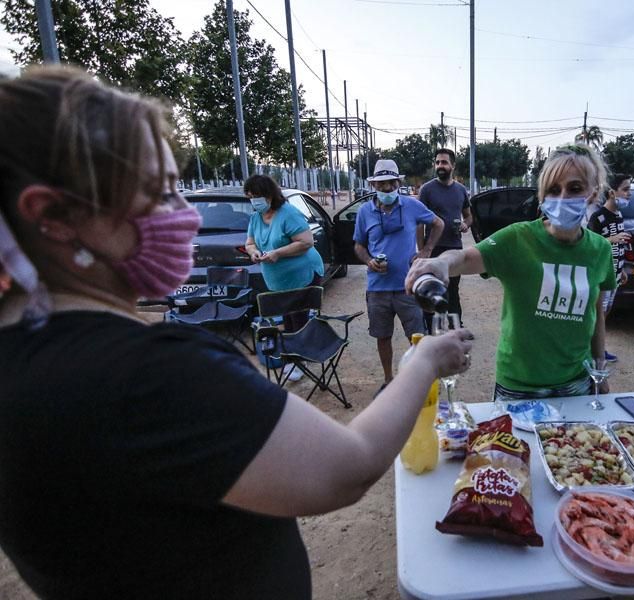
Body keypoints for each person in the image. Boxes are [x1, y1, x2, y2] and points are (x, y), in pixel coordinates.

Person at [0, 66, 473, 599]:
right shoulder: (150, 373)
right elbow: (347, 468)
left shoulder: (23, 358)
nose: (186, 216)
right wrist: (425, 363)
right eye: (157, 193)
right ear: (53, 215)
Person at [406, 144, 616, 404]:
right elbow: (465, 258)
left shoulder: (600, 249)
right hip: (519, 386)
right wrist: (440, 263)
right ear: (542, 196)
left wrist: (600, 366)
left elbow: (596, 316)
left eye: (574, 189)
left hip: (576, 383)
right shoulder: (519, 238)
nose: (562, 198)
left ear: (593, 192)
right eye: (553, 190)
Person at [353, 159, 445, 394]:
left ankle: (419, 381)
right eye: (381, 184)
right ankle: (389, 379)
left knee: (416, 337)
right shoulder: (365, 211)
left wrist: (426, 250)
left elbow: (438, 223)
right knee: (382, 336)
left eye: (390, 184)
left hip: (408, 285)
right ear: (374, 185)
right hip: (377, 288)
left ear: (397, 183)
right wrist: (368, 261)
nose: (386, 189)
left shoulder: (411, 206)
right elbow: (358, 246)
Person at [416, 148, 472, 331]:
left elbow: (469, 217)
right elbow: (419, 223)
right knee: (429, 289)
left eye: (444, 162)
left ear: (453, 166)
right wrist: (423, 250)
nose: (440, 166)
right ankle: (430, 330)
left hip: (454, 248)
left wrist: (466, 225)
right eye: (438, 162)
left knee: (453, 291)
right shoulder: (427, 190)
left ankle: (456, 327)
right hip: (433, 249)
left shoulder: (461, 191)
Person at [244, 174, 324, 291]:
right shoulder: (255, 218)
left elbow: (306, 242)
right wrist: (254, 252)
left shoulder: (288, 213)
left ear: (270, 195)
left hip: (301, 276)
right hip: (277, 281)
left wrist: (278, 253)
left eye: (256, 196)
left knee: (301, 309)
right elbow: (250, 243)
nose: (254, 201)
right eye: (250, 197)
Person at [587, 173, 633, 363]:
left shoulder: (618, 215)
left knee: (606, 312)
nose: (629, 194)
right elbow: (589, 246)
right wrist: (609, 239)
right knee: (599, 313)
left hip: (615, 273)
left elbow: (618, 247)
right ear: (612, 192)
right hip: (601, 276)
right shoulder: (598, 217)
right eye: (626, 189)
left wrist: (621, 269)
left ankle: (599, 347)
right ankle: (595, 349)